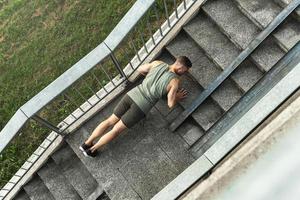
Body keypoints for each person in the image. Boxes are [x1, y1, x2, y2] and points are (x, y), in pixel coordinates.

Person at [79, 56, 192, 157]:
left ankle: (87, 143)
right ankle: (92, 150)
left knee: (109, 120)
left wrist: (149, 77)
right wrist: (176, 96)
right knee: (116, 130)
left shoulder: (158, 63)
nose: (184, 73)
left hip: (132, 94)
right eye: (185, 71)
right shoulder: (175, 82)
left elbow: (140, 69)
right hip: (141, 106)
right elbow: (170, 104)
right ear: (181, 68)